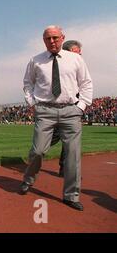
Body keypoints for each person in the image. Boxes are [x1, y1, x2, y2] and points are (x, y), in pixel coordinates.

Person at [20, 25, 93, 211]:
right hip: (45, 111)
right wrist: (33, 104)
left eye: (55, 37)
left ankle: (71, 195)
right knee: (38, 151)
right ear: (43, 40)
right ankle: (28, 179)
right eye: (48, 38)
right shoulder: (36, 60)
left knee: (73, 154)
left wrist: (81, 106)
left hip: (70, 111)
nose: (52, 41)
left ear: (62, 38)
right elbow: (28, 84)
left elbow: (86, 83)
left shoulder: (75, 59)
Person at [51, 40, 83, 177]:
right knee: (49, 140)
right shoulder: (57, 66)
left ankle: (66, 169)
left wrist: (81, 106)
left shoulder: (80, 66)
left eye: (80, 53)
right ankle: (37, 151)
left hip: (73, 108)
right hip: (56, 108)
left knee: (70, 141)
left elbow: (85, 84)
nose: (79, 56)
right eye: (76, 53)